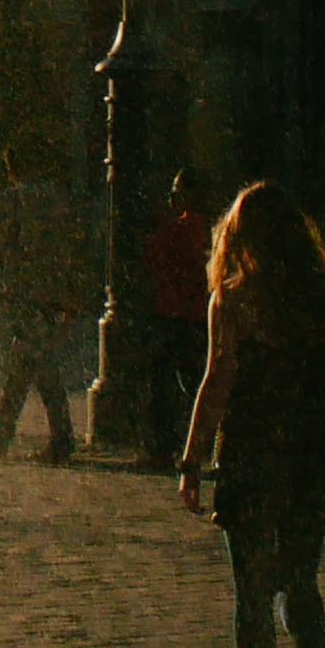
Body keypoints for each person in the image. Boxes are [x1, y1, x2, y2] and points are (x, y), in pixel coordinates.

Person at [176, 182, 325, 648]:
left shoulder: (234, 299)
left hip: (251, 451)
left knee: (251, 591)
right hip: (311, 450)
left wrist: (192, 458)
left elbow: (218, 381)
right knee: (301, 578)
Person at [0, 149, 90, 464]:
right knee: (32, 360)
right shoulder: (56, 201)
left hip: (24, 293)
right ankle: (7, 433)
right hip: (50, 293)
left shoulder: (11, 202)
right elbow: (72, 247)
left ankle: (53, 437)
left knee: (36, 363)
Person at [141, 171, 214, 449]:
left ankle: (162, 445)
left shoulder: (179, 228)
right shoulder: (211, 228)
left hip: (174, 313)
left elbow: (154, 258)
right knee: (196, 380)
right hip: (197, 314)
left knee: (163, 384)